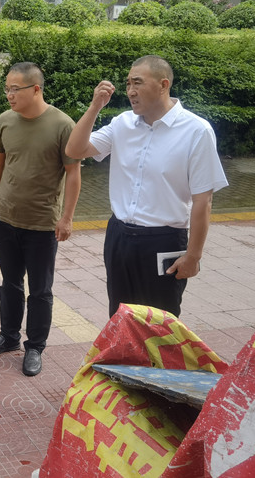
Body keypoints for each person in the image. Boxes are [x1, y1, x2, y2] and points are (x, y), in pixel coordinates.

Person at [65, 55, 229, 318]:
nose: (131, 91)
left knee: (159, 323)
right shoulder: (122, 124)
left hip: (163, 240)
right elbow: (74, 150)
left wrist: (193, 256)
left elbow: (203, 200)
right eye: (128, 83)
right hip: (119, 237)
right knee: (120, 318)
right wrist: (95, 107)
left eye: (138, 83)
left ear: (164, 85)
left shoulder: (196, 131)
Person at [0, 62, 81, 377]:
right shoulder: (5, 120)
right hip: (5, 218)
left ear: (36, 89)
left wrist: (67, 218)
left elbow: (74, 174)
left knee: (40, 290)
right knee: (10, 283)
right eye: (6, 89)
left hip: (42, 224)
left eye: (15, 89)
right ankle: (8, 336)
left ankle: (35, 346)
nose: (9, 95)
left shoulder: (63, 125)